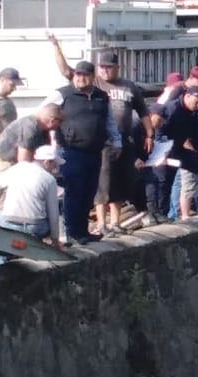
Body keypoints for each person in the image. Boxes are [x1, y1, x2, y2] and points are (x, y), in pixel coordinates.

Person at [48, 40, 152, 237]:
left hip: (121, 143)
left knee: (120, 184)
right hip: (95, 146)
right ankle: (99, 223)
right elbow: (65, 71)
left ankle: (114, 222)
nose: (105, 71)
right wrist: (56, 47)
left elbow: (141, 111)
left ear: (116, 68)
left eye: (109, 67)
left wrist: (149, 134)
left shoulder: (125, 87)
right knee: (101, 185)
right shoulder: (87, 85)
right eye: (102, 67)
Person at [42, 60, 121, 244]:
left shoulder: (102, 96)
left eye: (84, 75)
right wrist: (53, 147)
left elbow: (109, 121)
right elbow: (44, 114)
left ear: (92, 77)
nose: (80, 78)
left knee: (89, 192)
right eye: (77, 75)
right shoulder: (63, 94)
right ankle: (73, 233)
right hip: (71, 151)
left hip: (95, 151)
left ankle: (83, 231)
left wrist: (117, 142)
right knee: (74, 192)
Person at [0, 144, 63, 265]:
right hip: (35, 228)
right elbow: (53, 215)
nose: (56, 169)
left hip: (8, 223)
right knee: (48, 218)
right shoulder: (49, 179)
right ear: (47, 162)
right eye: (55, 164)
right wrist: (55, 241)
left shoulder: (18, 168)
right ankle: (34, 250)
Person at [0, 105, 63, 207]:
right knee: (1, 204)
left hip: (8, 164)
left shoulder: (40, 129)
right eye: (60, 121)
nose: (60, 125)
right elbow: (23, 162)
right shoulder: (30, 127)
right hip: (2, 164)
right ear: (52, 120)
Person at [162, 88, 198, 219]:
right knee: (165, 181)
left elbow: (196, 134)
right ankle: (169, 213)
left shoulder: (193, 112)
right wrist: (162, 153)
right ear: (187, 96)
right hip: (164, 149)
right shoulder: (173, 108)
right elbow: (160, 130)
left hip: (179, 148)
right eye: (196, 102)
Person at [132, 104, 168, 226]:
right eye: (159, 120)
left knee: (154, 178)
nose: (161, 124)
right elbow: (126, 143)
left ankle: (154, 211)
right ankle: (147, 211)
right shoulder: (135, 124)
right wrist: (134, 158)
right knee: (149, 180)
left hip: (144, 162)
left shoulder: (151, 131)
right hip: (129, 161)